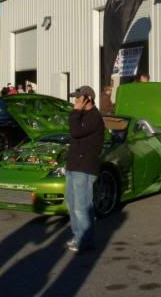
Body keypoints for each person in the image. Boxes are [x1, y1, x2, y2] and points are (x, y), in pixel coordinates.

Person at [66, 85, 105, 252]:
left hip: (85, 167)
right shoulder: (81, 115)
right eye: (75, 98)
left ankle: (86, 240)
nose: (76, 101)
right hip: (74, 165)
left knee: (81, 206)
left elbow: (75, 131)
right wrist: (76, 112)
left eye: (79, 98)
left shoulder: (94, 117)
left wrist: (76, 111)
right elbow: (73, 130)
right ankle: (77, 236)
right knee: (71, 204)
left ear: (88, 98)